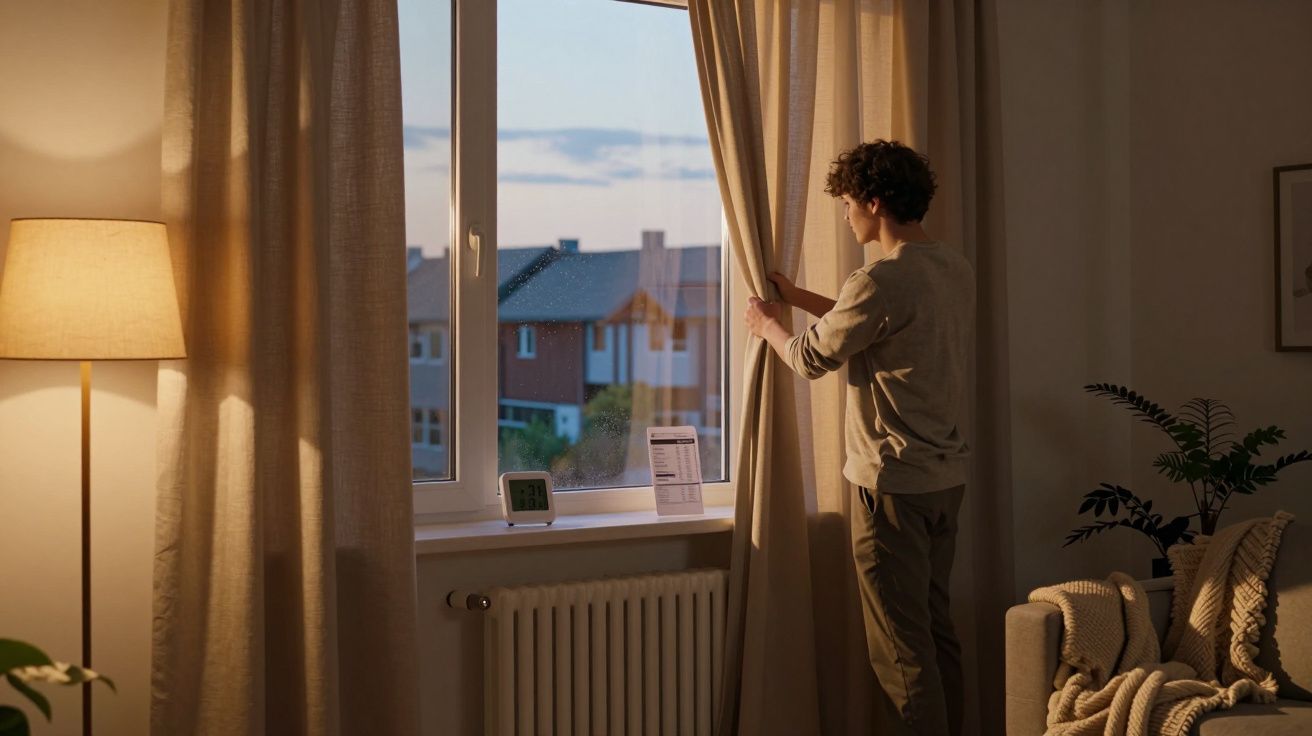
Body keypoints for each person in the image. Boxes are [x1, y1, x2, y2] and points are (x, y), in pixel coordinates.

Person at [743, 140, 975, 735]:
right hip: (944, 481)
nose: (846, 217)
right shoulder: (951, 268)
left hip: (892, 487)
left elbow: (810, 358)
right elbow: (876, 324)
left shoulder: (879, 279)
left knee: (900, 651)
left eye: (848, 204)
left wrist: (768, 326)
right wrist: (798, 297)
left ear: (874, 202)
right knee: (935, 632)